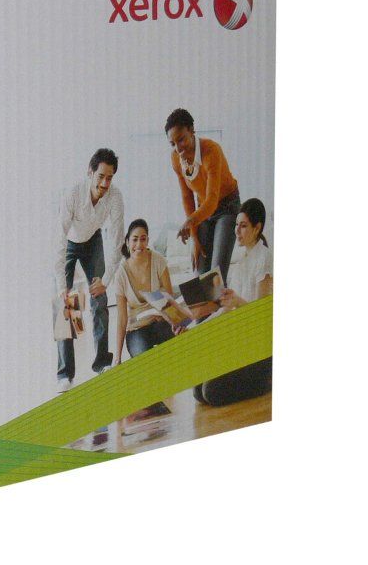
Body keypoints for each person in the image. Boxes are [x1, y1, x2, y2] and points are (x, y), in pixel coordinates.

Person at [54, 148, 124, 392]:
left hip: (93, 240)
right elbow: (59, 242)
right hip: (70, 243)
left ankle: (101, 362)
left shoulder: (115, 197)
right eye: (101, 176)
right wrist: (62, 286)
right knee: (67, 305)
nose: (104, 184)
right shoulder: (72, 194)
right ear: (90, 172)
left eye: (109, 178)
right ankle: (65, 374)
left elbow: (117, 241)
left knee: (100, 299)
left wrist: (106, 279)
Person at [194, 198, 273, 406]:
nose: (237, 231)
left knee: (210, 392)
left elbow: (262, 317)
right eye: (236, 225)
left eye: (243, 226)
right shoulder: (241, 261)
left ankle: (266, 380)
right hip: (240, 340)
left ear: (257, 228)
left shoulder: (264, 258)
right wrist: (195, 329)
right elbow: (226, 310)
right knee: (198, 391)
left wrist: (237, 301)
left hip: (259, 349)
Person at [165, 108, 240, 282]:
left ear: (192, 130)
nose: (178, 148)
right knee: (200, 273)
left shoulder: (211, 150)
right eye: (172, 144)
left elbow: (212, 199)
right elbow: (187, 197)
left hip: (227, 207)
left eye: (181, 139)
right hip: (202, 211)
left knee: (216, 274)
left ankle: (221, 300)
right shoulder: (176, 159)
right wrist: (195, 237)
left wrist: (190, 221)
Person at [112, 219, 177, 365]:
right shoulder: (121, 274)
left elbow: (170, 299)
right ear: (127, 242)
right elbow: (122, 318)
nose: (139, 244)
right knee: (145, 365)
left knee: (176, 353)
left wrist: (175, 323)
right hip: (137, 329)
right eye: (135, 240)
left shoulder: (158, 260)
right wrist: (117, 357)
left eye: (143, 239)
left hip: (160, 322)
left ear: (147, 241)